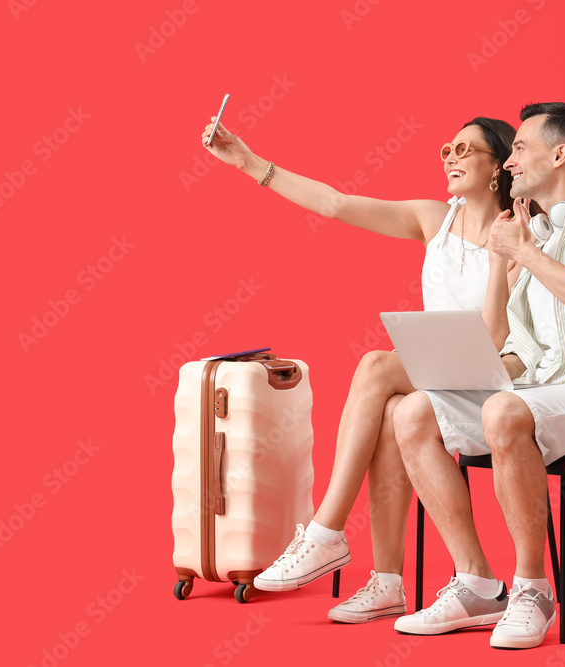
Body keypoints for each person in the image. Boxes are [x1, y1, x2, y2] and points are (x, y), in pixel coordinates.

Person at [200, 114, 526, 622]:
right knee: (395, 409)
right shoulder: (432, 217)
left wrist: (503, 255)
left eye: (464, 150)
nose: (449, 157)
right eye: (446, 149)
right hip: (440, 371)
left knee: (375, 365)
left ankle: (326, 531)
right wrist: (250, 163)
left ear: (496, 168)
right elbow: (334, 203)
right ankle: (388, 583)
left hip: (497, 368)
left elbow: (497, 334)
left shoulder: (521, 233)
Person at [391, 102, 565, 649]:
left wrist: (524, 251)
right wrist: (473, 374)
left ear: (559, 153)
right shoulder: (534, 233)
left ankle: (533, 589)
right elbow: (523, 347)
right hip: (542, 393)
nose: (508, 162)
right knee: (416, 409)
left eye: (519, 148)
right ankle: (477, 582)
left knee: (504, 410)